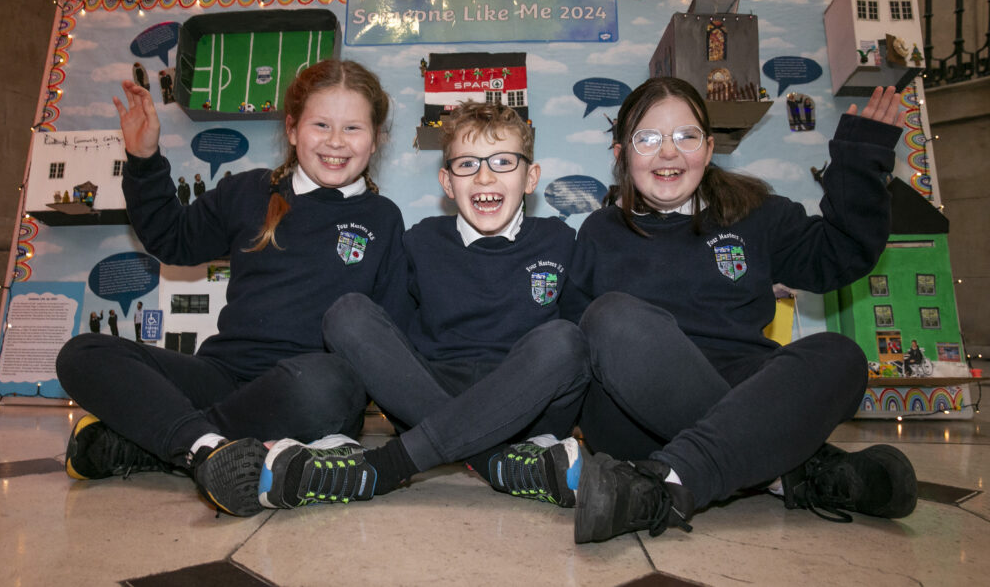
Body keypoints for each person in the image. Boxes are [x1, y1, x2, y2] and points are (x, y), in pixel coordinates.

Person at [562, 77, 917, 544]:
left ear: (708, 149)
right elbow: (568, 339)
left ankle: (671, 481)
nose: (668, 153)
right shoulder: (599, 231)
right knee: (611, 320)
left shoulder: (757, 213)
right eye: (647, 139)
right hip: (633, 418)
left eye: (686, 137)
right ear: (621, 154)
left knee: (840, 355)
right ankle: (792, 466)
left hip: (742, 385)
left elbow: (841, 254)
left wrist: (860, 158)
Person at [56, 59, 410, 518]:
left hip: (307, 392)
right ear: (292, 128)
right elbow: (171, 238)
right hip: (221, 378)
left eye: (353, 128)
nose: (336, 141)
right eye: (321, 124)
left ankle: (161, 444)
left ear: (376, 137)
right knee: (81, 353)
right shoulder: (249, 191)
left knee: (329, 384)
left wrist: (424, 436)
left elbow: (394, 332)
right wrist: (144, 159)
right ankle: (203, 446)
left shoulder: (384, 219)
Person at [258, 100, 590, 510]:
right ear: (447, 183)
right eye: (467, 164)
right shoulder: (420, 241)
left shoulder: (560, 239)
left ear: (531, 177)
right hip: (433, 394)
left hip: (527, 409)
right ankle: (496, 463)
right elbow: (391, 340)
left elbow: (574, 352)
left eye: (503, 161)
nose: (485, 176)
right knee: (347, 314)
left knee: (565, 341)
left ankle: (385, 467)